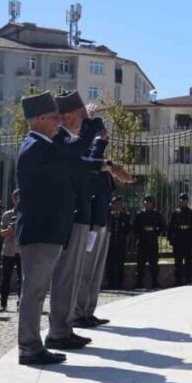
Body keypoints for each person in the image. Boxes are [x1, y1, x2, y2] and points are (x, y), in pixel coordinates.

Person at [14, 92, 112, 365]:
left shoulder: (44, 146)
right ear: (39, 119)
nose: (58, 122)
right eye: (54, 117)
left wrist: (103, 164)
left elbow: (74, 162)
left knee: (36, 291)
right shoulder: (36, 147)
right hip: (40, 231)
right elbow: (74, 154)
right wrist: (90, 123)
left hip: (49, 231)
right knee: (34, 292)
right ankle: (29, 348)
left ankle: (37, 344)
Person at [73, 114, 134, 328]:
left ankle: (88, 311)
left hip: (102, 222)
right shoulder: (86, 159)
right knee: (85, 270)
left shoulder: (102, 164)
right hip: (90, 224)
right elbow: (91, 165)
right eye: (101, 132)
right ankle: (77, 313)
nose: (105, 135)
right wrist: (99, 143)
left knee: (96, 272)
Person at [167, 193, 192, 286]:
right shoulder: (175, 213)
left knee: (188, 260)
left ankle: (188, 279)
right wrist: (170, 238)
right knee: (178, 261)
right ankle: (178, 280)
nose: (183, 202)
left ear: (187, 201)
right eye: (181, 201)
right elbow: (171, 226)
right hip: (178, 238)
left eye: (185, 200)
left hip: (188, 238)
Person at [132, 195, 164, 290]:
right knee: (140, 262)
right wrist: (140, 233)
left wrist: (157, 232)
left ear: (152, 204)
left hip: (153, 241)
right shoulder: (140, 214)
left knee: (154, 262)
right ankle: (139, 282)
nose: (147, 204)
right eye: (146, 202)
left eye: (149, 203)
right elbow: (135, 227)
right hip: (143, 241)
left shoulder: (157, 215)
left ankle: (155, 282)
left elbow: (163, 226)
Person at [0, 189, 22, 313]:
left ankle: (21, 303)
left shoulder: (26, 214)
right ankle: (3, 304)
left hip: (22, 251)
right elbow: (1, 233)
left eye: (20, 197)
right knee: (5, 278)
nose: (18, 200)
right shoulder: (7, 214)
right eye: (16, 197)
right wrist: (9, 230)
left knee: (22, 279)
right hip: (8, 250)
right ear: (13, 199)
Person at [105, 197, 130, 290]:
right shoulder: (109, 216)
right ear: (112, 205)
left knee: (120, 264)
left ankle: (120, 283)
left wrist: (123, 237)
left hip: (121, 243)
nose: (118, 206)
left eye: (119, 204)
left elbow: (128, 229)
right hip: (110, 243)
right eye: (116, 204)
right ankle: (111, 283)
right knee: (110, 264)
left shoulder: (125, 216)